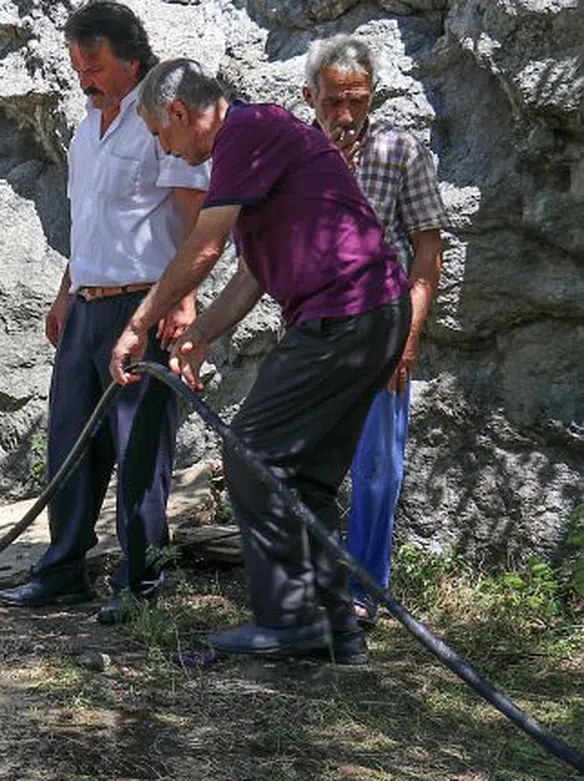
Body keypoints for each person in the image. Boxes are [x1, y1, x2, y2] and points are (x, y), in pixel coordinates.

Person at [109, 59, 411, 663]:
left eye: (159, 134)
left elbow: (206, 246)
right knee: (307, 478)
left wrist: (139, 324)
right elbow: (250, 274)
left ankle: (287, 621)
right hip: (375, 314)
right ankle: (333, 630)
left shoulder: (247, 130)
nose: (162, 148)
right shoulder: (257, 148)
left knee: (251, 455)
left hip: (345, 314)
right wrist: (201, 337)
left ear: (178, 113)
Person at [0, 1, 210, 625]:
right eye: (76, 64)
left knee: (138, 447)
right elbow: (88, 221)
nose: (82, 76)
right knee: (70, 440)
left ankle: (140, 581)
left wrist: (185, 302)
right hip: (89, 304)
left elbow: (196, 212)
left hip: (145, 304)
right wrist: (68, 289)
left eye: (93, 65)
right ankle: (63, 569)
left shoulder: (160, 115)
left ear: (131, 59)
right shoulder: (86, 127)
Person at [302, 35, 447, 627]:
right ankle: (313, 585)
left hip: (381, 325)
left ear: (373, 97)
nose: (345, 114)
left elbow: (428, 246)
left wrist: (409, 338)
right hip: (314, 326)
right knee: (306, 460)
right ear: (310, 96)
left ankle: (366, 589)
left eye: (357, 101)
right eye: (334, 100)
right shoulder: (297, 152)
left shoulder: (400, 151)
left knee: (378, 467)